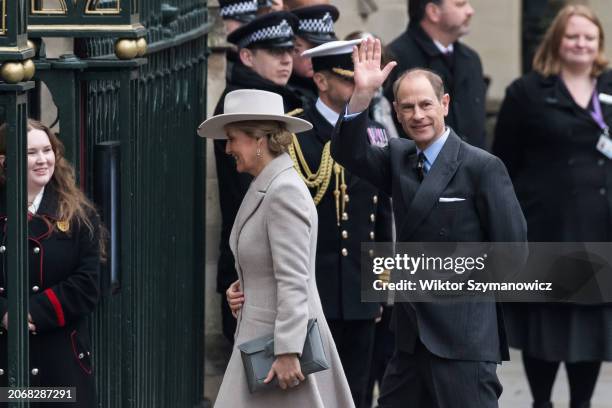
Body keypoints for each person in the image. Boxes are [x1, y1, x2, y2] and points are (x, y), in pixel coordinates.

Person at [331, 38, 527, 407]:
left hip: (462, 340)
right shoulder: (398, 157)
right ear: (397, 113)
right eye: (408, 108)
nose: (418, 115)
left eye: (426, 104)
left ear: (445, 105)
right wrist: (361, 94)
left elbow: (513, 254)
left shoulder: (481, 166)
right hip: (409, 339)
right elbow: (347, 152)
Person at [198, 89, 354, 407]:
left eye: (232, 139)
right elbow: (266, 265)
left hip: (279, 348)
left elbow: (294, 279)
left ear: (259, 140)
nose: (227, 149)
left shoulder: (284, 191)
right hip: (261, 338)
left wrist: (287, 351)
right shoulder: (266, 185)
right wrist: (242, 288)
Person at [493, 5, 612, 408]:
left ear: (599, 44)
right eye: (573, 36)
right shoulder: (527, 92)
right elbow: (503, 162)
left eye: (589, 38)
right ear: (557, 40)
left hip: (600, 229)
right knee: (545, 327)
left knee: (591, 327)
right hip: (545, 229)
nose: (581, 44)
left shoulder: (611, 87)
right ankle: (540, 402)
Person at [291, 40, 392, 407]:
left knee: (358, 393)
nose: (359, 86)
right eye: (349, 80)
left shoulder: (375, 132)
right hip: (313, 289)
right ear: (320, 80)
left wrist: (381, 287)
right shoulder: (296, 133)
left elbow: (381, 216)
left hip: (360, 293)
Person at [0, 120, 103, 408]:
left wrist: (31, 313)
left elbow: (88, 283)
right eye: (31, 152)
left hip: (60, 360)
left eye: (47, 150)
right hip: (4, 358)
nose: (43, 159)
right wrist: (6, 313)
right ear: (4, 161)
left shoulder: (80, 214)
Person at [213, 11, 302, 344]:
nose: (286, 60)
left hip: (270, 296)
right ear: (247, 56)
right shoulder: (244, 106)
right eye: (275, 53)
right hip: (253, 287)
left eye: (289, 52)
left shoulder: (282, 96)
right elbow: (246, 208)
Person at [384, 0, 486, 148]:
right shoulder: (396, 58)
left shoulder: (471, 59)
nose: (470, 11)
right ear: (433, 12)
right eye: (460, 4)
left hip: (472, 168)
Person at [288, 4, 340, 108]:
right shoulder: (283, 93)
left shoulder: (331, 86)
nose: (318, 56)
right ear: (291, 46)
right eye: (312, 49)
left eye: (324, 49)